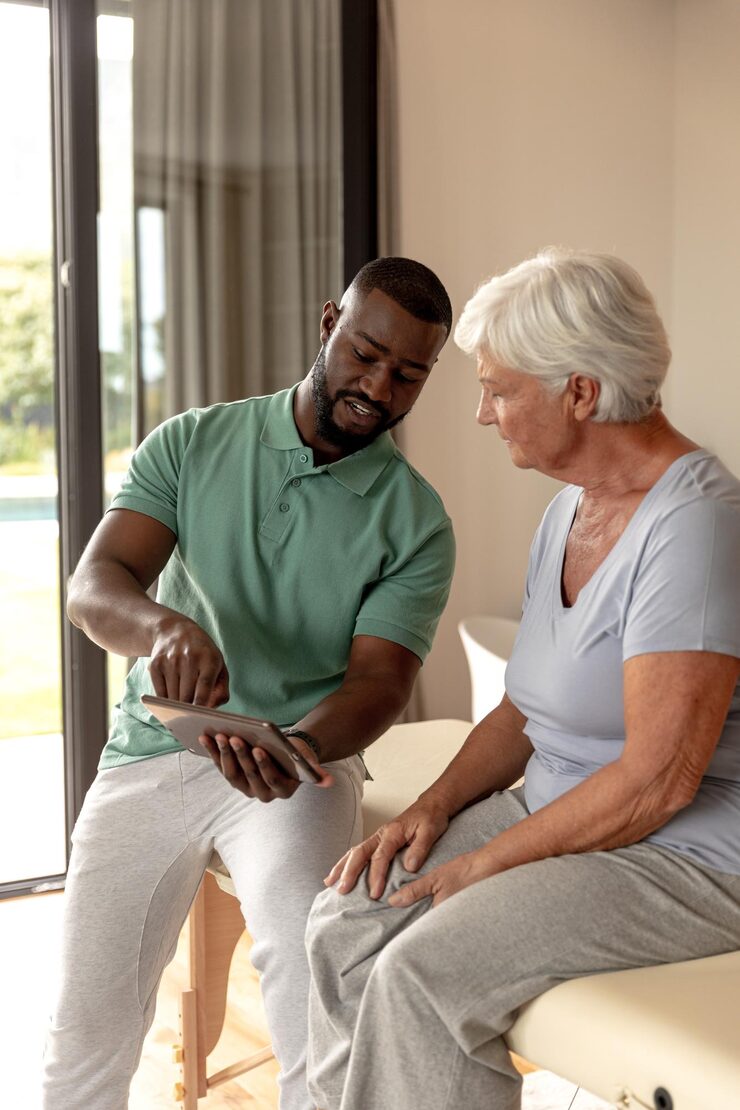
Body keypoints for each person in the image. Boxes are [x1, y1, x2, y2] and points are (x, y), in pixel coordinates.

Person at [306, 248, 740, 1110]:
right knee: (345, 924)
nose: (480, 412)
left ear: (579, 392)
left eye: (500, 390)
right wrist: (435, 808)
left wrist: (487, 864)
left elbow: (659, 783)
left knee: (425, 973)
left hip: (685, 857)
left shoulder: (695, 527)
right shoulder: (568, 507)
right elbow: (524, 709)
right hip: (560, 808)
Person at [41, 257, 456, 1110]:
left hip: (298, 766)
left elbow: (381, 683)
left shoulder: (416, 521)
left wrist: (301, 746)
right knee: (86, 1032)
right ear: (327, 321)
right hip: (157, 748)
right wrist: (163, 625)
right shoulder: (193, 442)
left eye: (407, 374)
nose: (377, 387)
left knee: (314, 1008)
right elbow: (97, 584)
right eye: (366, 353)